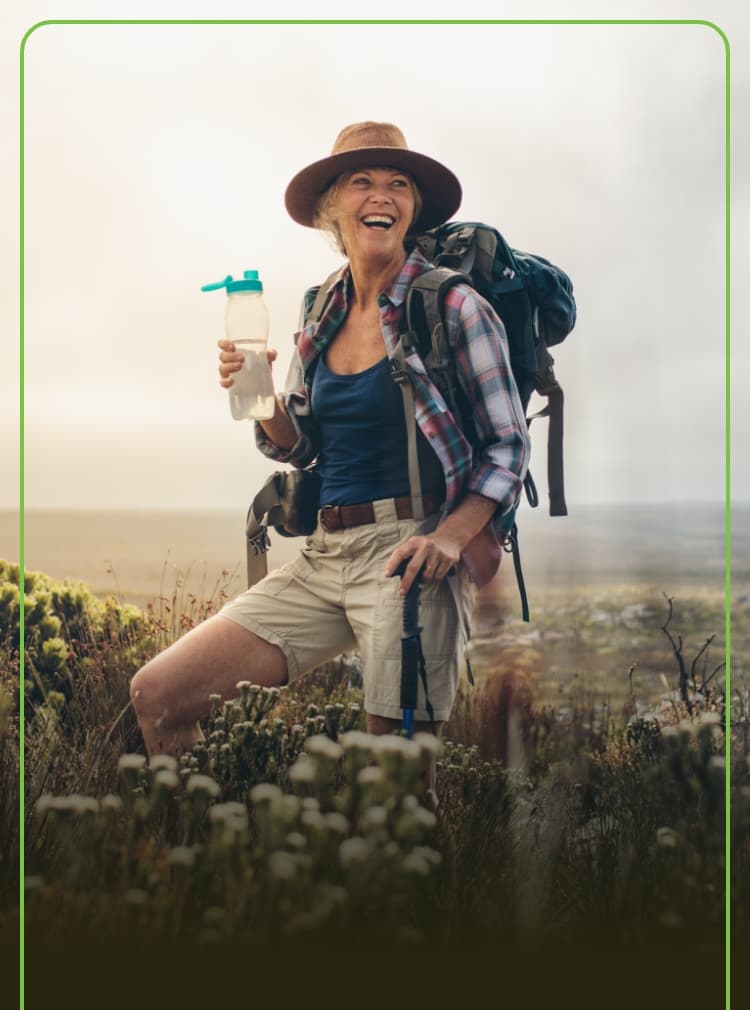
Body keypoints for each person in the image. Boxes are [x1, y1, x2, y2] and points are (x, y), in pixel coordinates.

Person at [130, 122, 530, 763]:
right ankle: (205, 857)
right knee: (160, 695)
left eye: (398, 183)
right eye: (361, 182)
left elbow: (508, 447)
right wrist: (259, 398)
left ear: (412, 208)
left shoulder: (456, 308)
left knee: (394, 782)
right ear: (330, 210)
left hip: (410, 559)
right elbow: (299, 445)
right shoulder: (322, 308)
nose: (382, 195)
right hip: (324, 554)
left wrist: (449, 538)